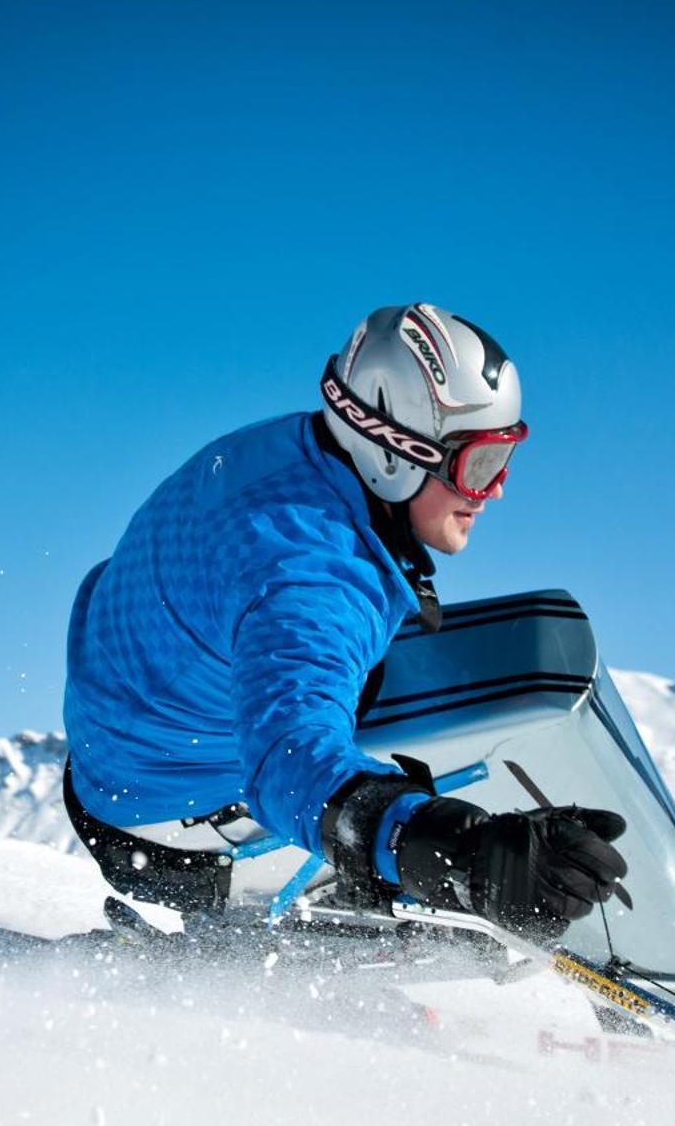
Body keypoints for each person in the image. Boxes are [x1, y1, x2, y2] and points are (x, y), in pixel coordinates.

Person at [62, 303, 628, 940]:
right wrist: (464, 858)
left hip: (131, 744)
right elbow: (289, 758)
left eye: (503, 462)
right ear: (397, 455)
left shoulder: (299, 458)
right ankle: (267, 929)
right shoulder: (313, 578)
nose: (494, 491)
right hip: (165, 820)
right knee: (458, 867)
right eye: (479, 466)